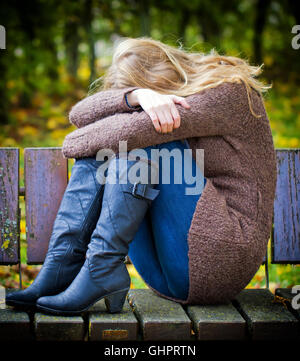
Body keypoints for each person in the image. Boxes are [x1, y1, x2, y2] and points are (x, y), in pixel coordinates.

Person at [6, 37, 277, 315]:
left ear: (164, 71)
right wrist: (135, 97)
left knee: (146, 140)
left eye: (148, 89)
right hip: (166, 269)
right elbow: (80, 115)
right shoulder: (156, 97)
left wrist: (131, 110)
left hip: (222, 260)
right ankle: (63, 265)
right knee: (116, 145)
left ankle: (95, 269)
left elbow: (79, 141)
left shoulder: (228, 92)